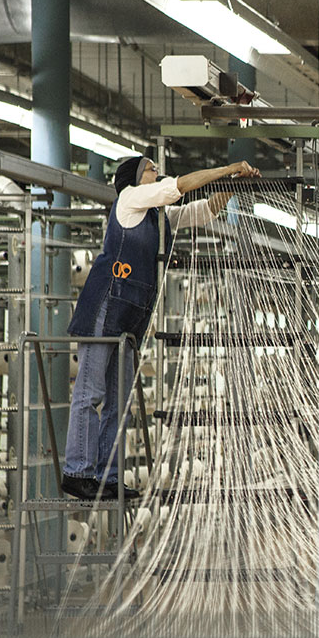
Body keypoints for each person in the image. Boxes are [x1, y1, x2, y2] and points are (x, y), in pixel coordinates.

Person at [60, 155, 259, 500]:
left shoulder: (158, 216)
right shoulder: (130, 199)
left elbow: (203, 211)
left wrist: (232, 186)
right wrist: (226, 169)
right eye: (151, 167)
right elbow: (179, 187)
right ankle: (77, 472)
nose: (157, 171)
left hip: (127, 318)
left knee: (118, 402)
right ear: (136, 177)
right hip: (105, 306)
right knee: (90, 393)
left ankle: (108, 476)